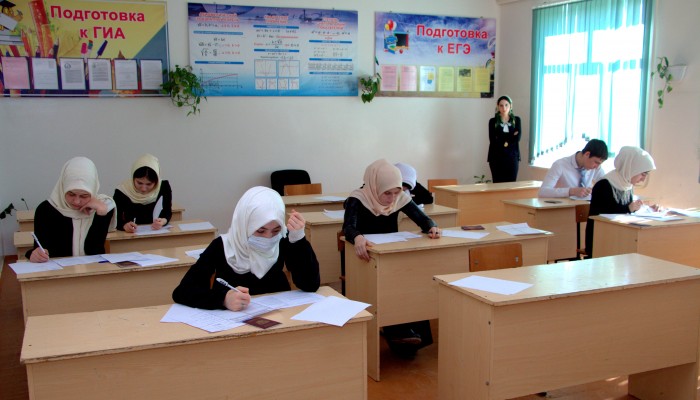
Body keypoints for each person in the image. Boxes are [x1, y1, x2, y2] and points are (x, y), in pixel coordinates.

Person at [343, 159, 440, 358]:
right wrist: (357, 237)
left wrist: (432, 227)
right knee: (390, 285)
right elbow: (348, 227)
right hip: (365, 257)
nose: (392, 199)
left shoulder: (398, 197)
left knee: (411, 280)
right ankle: (400, 332)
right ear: (375, 186)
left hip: (390, 254)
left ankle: (408, 333)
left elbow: (422, 218)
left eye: (396, 193)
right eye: (387, 193)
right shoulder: (357, 198)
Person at [172, 186, 320, 311]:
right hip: (232, 320)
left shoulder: (282, 239)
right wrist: (223, 299)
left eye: (275, 230)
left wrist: (298, 240)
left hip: (278, 313)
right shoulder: (223, 246)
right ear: (245, 224)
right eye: (260, 231)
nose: (268, 238)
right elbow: (182, 291)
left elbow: (310, 284)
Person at [27, 157, 116, 262]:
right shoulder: (46, 210)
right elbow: (39, 248)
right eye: (71, 194)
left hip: (92, 269)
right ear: (63, 187)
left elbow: (93, 249)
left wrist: (101, 213)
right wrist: (34, 254)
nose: (76, 201)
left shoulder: (103, 206)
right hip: (59, 270)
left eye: (84, 196)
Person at [585, 146, 657, 257]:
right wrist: (628, 208)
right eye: (642, 174)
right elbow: (602, 215)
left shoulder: (627, 185)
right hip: (601, 238)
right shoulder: (604, 184)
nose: (643, 179)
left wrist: (646, 210)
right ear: (631, 168)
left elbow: (626, 211)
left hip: (620, 236)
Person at [114, 154, 172, 232]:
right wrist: (124, 225)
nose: (143, 189)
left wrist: (162, 221)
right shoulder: (122, 190)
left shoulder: (163, 187)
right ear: (133, 178)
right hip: (131, 234)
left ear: (156, 182)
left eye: (149, 184)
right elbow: (115, 218)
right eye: (139, 183)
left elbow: (167, 212)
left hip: (156, 232)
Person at [538, 139, 609, 198]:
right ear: (587, 154)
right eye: (596, 162)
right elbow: (543, 192)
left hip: (586, 207)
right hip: (564, 207)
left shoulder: (596, 168)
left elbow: (607, 187)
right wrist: (571, 191)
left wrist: (596, 191)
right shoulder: (560, 165)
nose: (597, 167)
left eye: (599, 164)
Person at [487, 95, 521, 183]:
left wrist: (501, 138)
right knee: (497, 184)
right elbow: (493, 140)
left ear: (510, 106)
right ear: (498, 106)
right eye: (501, 105)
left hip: (512, 157)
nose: (504, 108)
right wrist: (511, 136)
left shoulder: (517, 120)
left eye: (506, 105)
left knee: (511, 184)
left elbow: (517, 138)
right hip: (496, 157)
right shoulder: (492, 121)